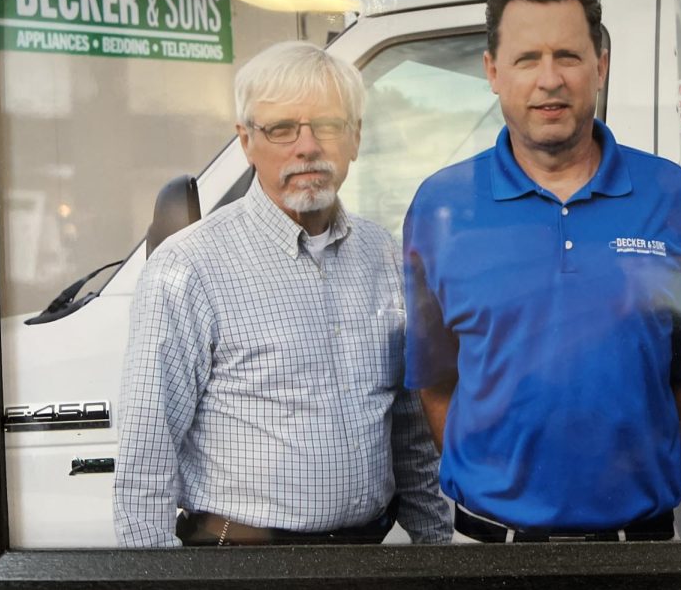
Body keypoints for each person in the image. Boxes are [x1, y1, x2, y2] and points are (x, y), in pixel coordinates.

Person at [403, 0, 681, 542]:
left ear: (600, 66)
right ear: (493, 71)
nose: (549, 79)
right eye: (527, 59)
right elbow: (435, 382)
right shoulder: (440, 206)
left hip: (640, 551)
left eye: (569, 56)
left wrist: (634, 492)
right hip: (490, 553)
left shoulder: (669, 193)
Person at [114, 41, 450, 547]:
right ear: (246, 140)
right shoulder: (189, 267)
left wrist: (436, 554)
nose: (308, 146)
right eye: (282, 129)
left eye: (329, 125)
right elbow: (146, 456)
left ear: (355, 138)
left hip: (369, 559)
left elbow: (410, 432)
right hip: (241, 565)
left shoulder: (384, 254)